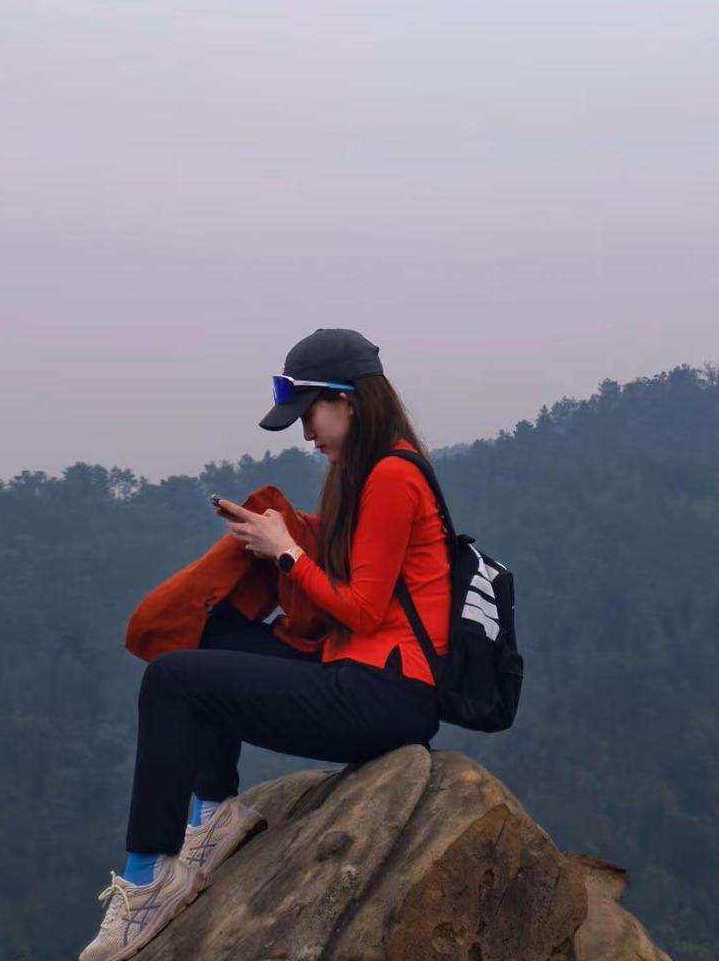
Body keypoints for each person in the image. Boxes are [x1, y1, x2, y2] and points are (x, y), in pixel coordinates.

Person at [80, 327, 452, 961]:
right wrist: (279, 537)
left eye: (309, 415)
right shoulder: (372, 471)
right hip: (357, 671)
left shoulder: (392, 475)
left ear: (347, 401)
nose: (306, 434)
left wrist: (285, 553)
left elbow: (363, 610)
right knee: (208, 630)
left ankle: (149, 879)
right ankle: (213, 815)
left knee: (172, 681)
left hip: (384, 695)